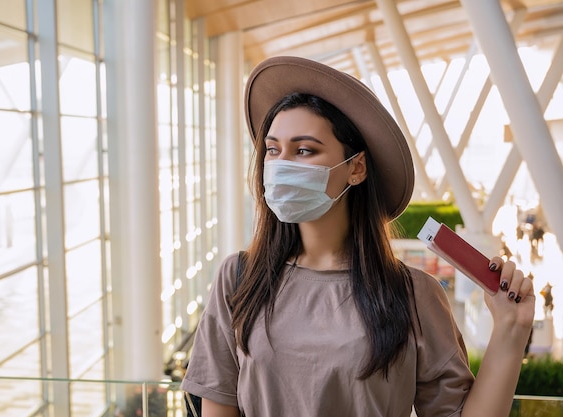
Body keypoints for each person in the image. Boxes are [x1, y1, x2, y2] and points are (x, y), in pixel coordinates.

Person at [181, 56, 535, 417]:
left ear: (356, 167)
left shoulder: (412, 295)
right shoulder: (239, 280)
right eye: (273, 149)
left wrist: (511, 330)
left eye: (304, 150)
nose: (281, 164)